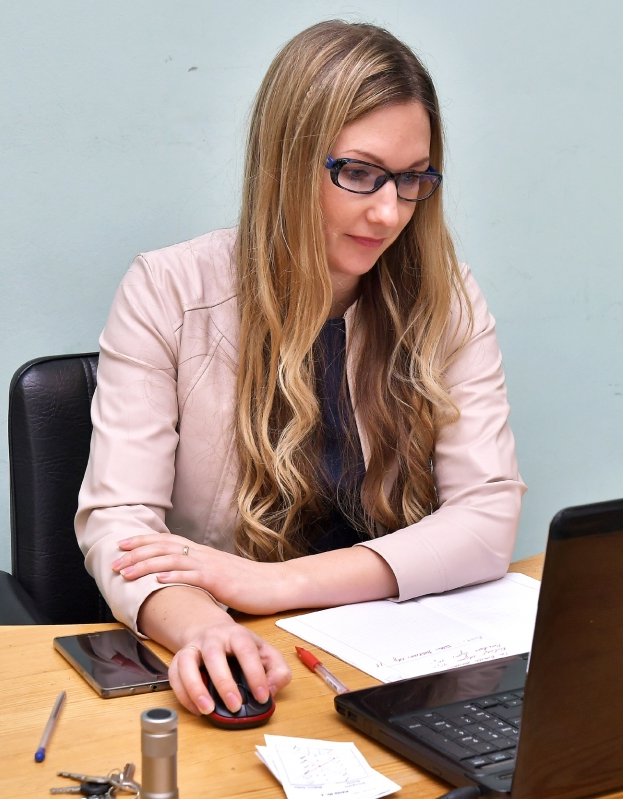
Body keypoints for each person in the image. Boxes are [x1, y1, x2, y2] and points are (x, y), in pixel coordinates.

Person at [75, 20, 524, 719]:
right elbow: (120, 524)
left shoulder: (448, 295)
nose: (389, 212)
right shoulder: (167, 290)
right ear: (287, 161)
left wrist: (272, 584)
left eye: (412, 179)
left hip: (392, 646)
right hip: (246, 650)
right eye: (359, 174)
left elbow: (487, 516)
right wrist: (204, 628)